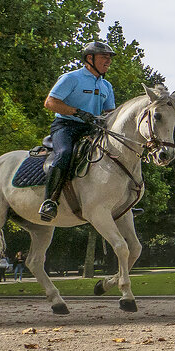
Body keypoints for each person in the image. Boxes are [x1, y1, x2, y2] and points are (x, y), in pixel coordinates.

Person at [39, 41, 117, 222]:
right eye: (104, 57)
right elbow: (50, 102)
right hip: (66, 126)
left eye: (109, 58)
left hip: (92, 129)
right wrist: (77, 112)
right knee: (65, 152)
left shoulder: (107, 86)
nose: (108, 61)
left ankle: (121, 202)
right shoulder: (71, 78)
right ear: (90, 58)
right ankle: (49, 201)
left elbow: (109, 113)